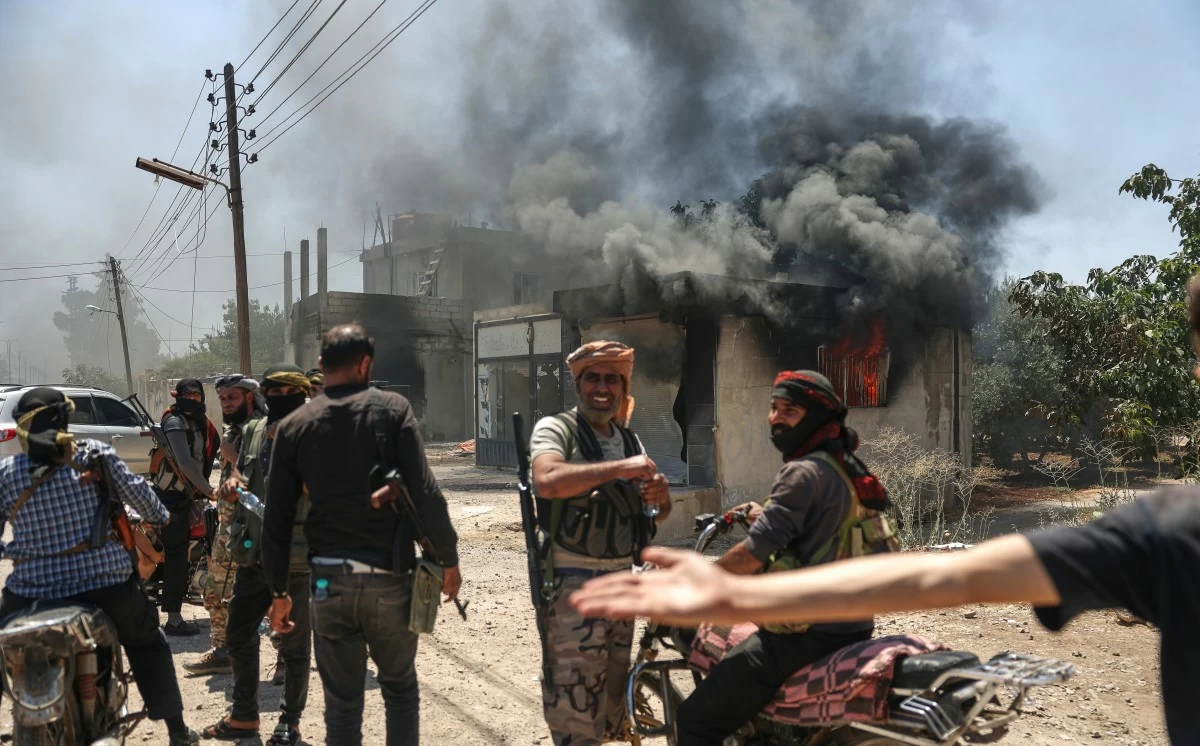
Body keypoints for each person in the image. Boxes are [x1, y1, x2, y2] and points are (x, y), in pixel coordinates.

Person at [262, 324, 462, 746]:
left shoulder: (296, 424)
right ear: (366, 363)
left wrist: (279, 592)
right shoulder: (392, 410)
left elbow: (276, 520)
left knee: (342, 705)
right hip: (390, 576)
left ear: (321, 365)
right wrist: (448, 559)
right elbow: (426, 491)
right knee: (400, 688)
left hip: (327, 582)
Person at [0, 388, 200, 745]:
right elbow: (147, 503)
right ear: (67, 419)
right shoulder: (95, 456)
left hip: (29, 591)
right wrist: (158, 516)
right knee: (148, 644)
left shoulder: (7, 472)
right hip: (104, 585)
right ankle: (178, 732)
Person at [529, 340, 672, 746]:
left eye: (613, 378)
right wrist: (620, 469)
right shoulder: (557, 429)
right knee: (576, 709)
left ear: (624, 387)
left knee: (612, 705)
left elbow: (653, 517)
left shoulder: (629, 441)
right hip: (573, 586)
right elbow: (547, 479)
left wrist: (658, 499)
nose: (602, 387)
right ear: (578, 384)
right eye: (593, 377)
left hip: (621, 585)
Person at [202, 365, 313, 745]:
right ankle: (245, 715)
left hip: (297, 556)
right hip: (255, 552)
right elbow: (246, 475)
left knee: (295, 644)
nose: (281, 398)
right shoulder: (251, 431)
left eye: (289, 392)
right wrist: (234, 481)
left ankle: (289, 723)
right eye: (274, 391)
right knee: (238, 632)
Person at [185, 374, 262, 675]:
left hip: (250, 529)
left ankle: (282, 659)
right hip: (231, 528)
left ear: (249, 398)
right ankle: (225, 650)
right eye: (223, 399)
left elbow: (263, 480)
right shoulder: (237, 430)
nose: (227, 403)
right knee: (220, 592)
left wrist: (236, 458)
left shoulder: (260, 432)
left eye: (233, 397)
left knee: (244, 594)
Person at [151, 378, 220, 636]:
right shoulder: (175, 421)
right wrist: (209, 489)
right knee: (177, 554)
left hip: (191, 495)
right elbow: (185, 462)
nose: (191, 400)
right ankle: (173, 618)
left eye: (196, 396)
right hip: (171, 498)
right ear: (177, 396)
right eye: (187, 396)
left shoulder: (202, 423)